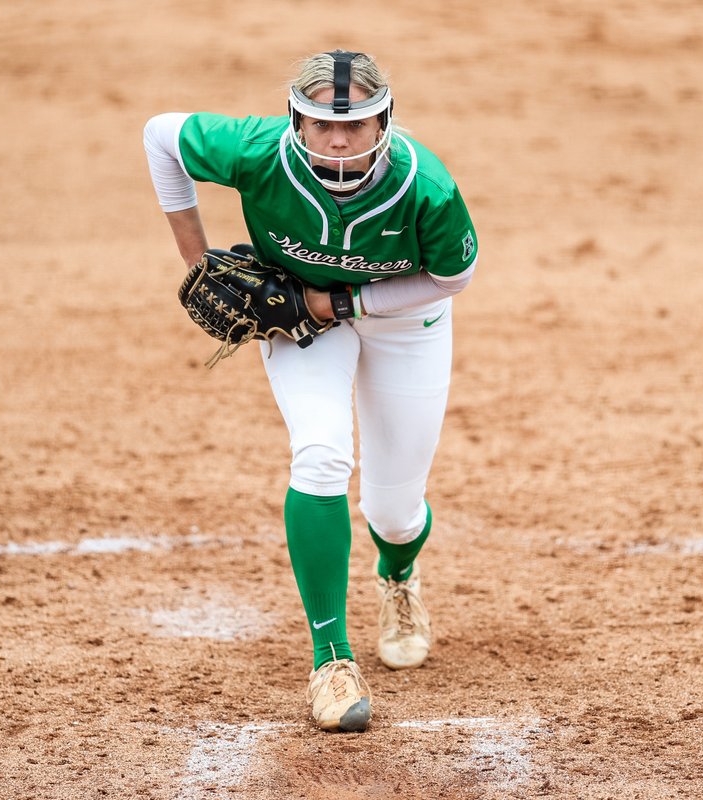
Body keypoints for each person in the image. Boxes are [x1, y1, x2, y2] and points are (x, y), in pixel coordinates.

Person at [143, 50, 478, 732]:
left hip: (404, 320)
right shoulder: (260, 153)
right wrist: (197, 260)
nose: (337, 139)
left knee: (395, 510)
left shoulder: (427, 187)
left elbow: (451, 278)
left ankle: (398, 574)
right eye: (322, 122)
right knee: (321, 455)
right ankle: (332, 659)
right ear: (294, 119)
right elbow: (160, 134)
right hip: (295, 314)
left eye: (356, 124)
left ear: (386, 120)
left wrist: (342, 304)